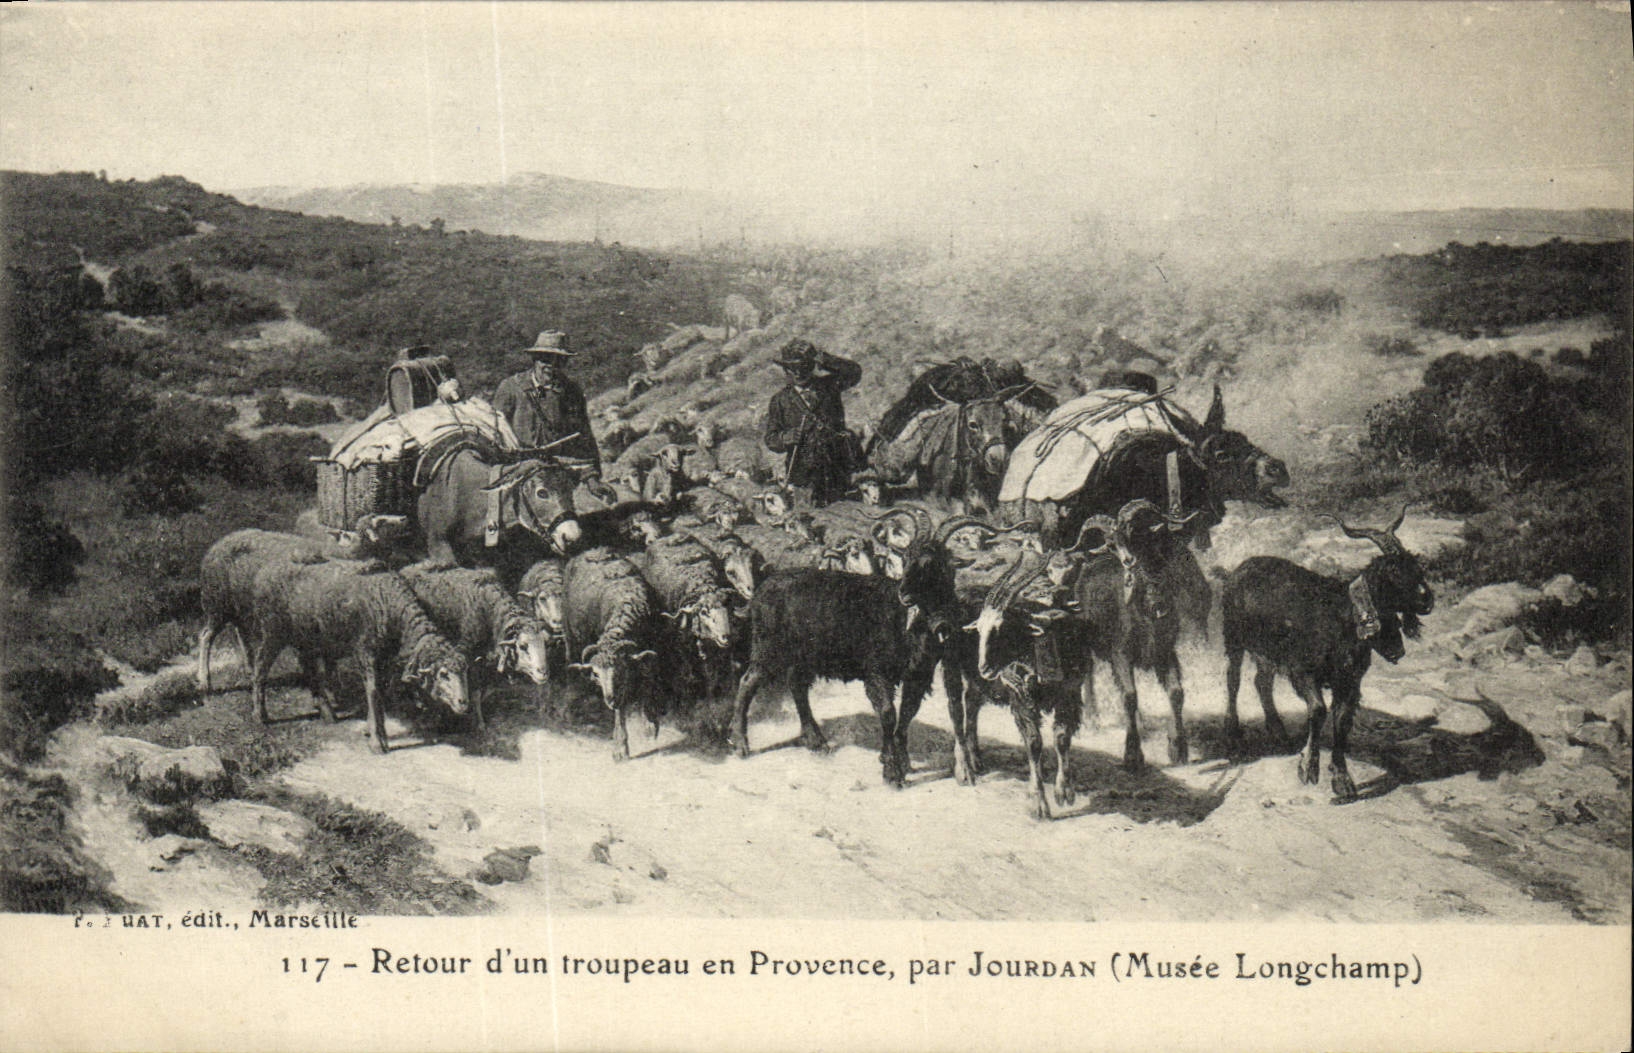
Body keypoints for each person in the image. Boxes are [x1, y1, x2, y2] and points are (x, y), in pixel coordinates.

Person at [491, 330, 617, 503]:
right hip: (517, 472)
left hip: (557, 472)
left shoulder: (571, 392)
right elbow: (494, 432)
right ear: (535, 359)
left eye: (559, 361)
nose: (551, 366)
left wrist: (592, 479)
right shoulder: (511, 388)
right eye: (545, 359)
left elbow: (583, 440)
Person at [762, 339, 862, 507]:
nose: (798, 373)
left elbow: (854, 372)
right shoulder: (780, 400)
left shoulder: (829, 386)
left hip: (837, 469)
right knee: (808, 515)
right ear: (785, 370)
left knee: (843, 513)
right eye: (792, 369)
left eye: (803, 366)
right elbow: (771, 439)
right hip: (803, 475)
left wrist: (823, 358)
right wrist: (786, 437)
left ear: (812, 366)